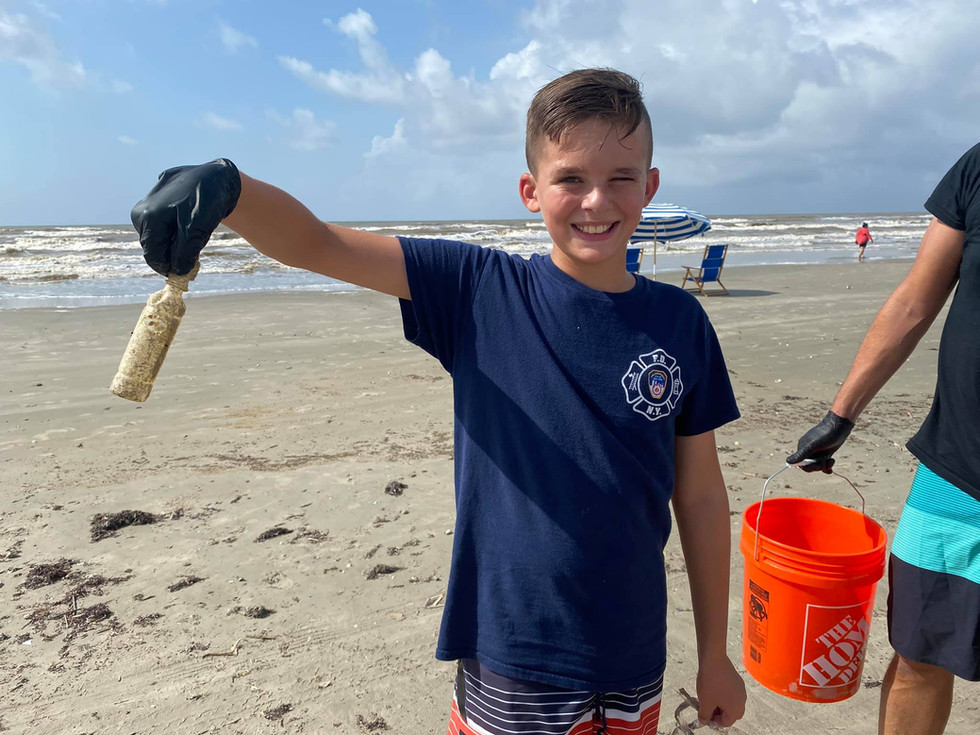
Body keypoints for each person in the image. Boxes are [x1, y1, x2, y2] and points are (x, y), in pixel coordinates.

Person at [130, 68, 746, 735]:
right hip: (511, 660)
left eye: (621, 177)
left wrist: (714, 655)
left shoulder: (681, 323)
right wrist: (231, 189)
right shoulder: (478, 291)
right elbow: (316, 243)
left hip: (634, 658)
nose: (596, 199)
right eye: (570, 177)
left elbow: (701, 497)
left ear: (649, 186)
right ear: (531, 191)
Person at [787, 141, 980, 735]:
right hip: (955, 471)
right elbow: (915, 300)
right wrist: (841, 415)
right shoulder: (978, 168)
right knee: (920, 652)